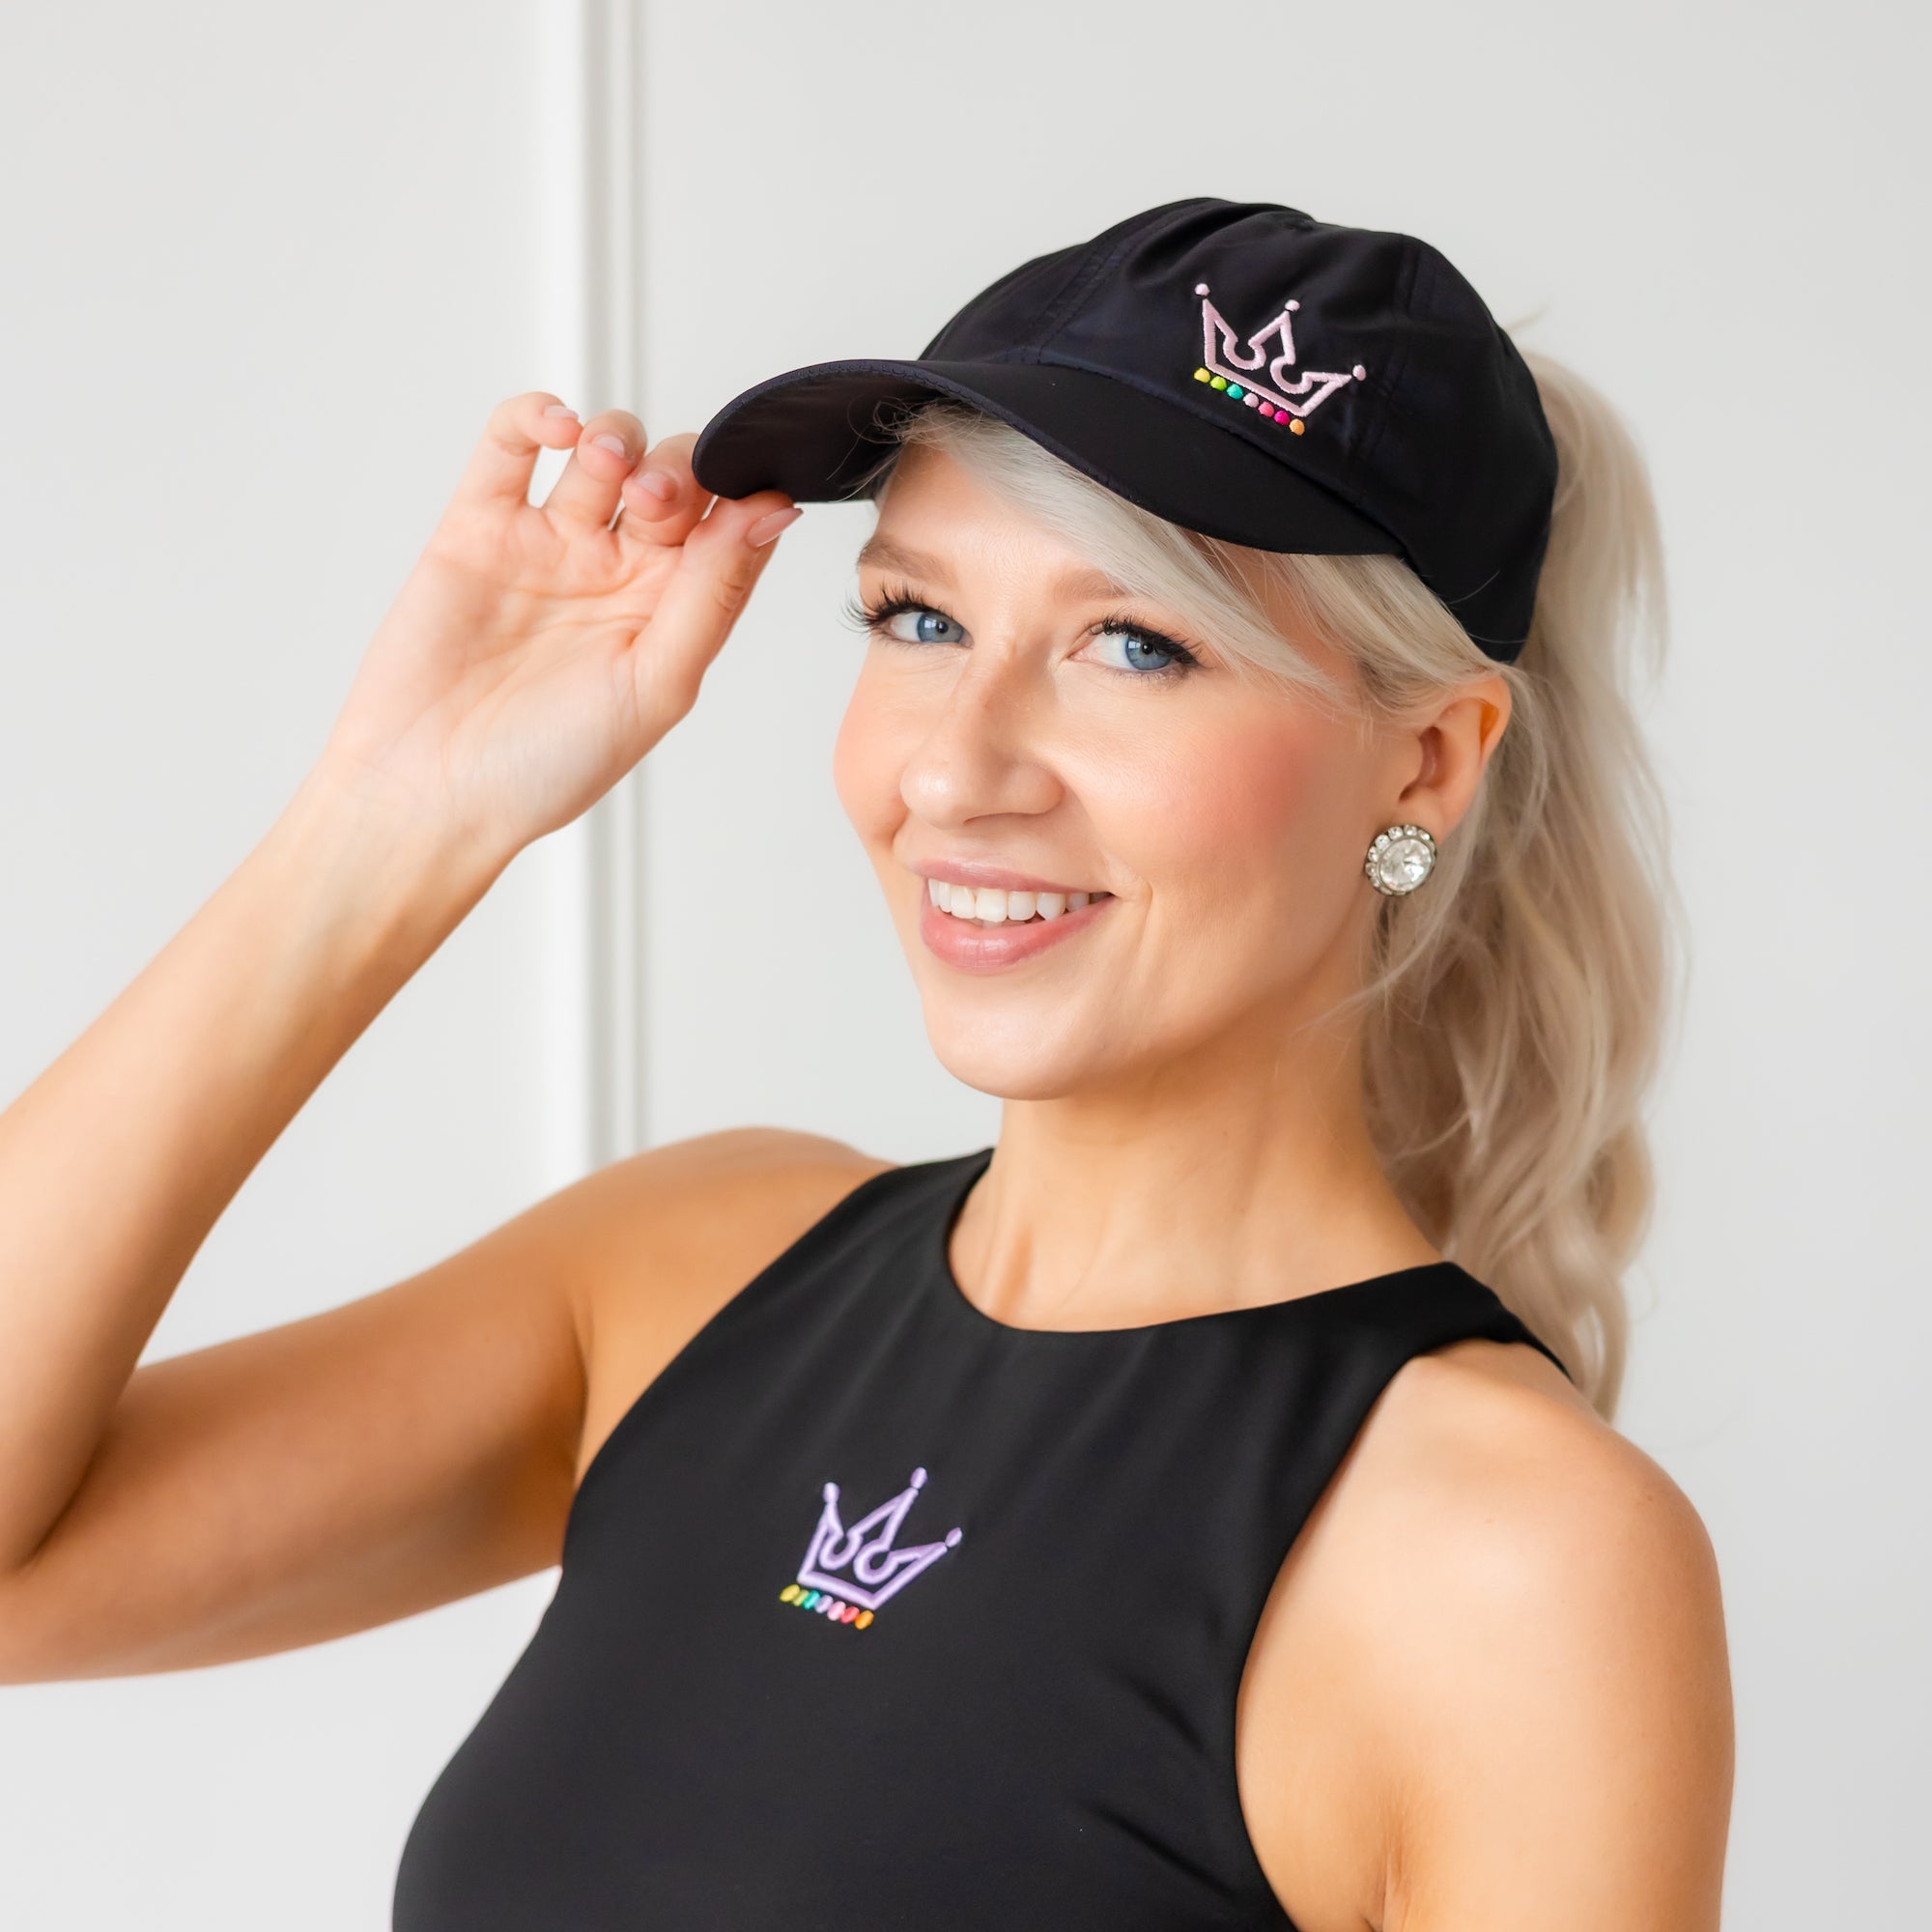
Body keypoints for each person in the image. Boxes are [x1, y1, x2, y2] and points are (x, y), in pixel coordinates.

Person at [0, 199, 1734, 1928]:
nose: (958, 771)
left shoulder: (1513, 1561)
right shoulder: (692, 1275)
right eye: (918, 620)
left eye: (1136, 644)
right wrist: (393, 819)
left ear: (1426, 764)